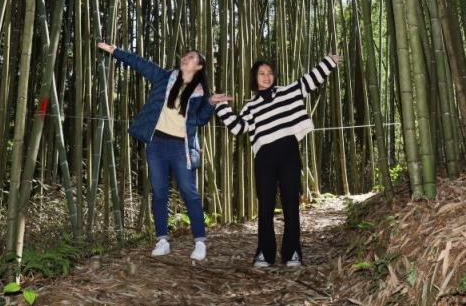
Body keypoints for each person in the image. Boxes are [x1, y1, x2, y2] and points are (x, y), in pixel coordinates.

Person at [210, 53, 342, 267]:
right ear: (255, 78)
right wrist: (221, 106)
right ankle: (265, 253)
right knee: (266, 206)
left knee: (291, 204)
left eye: (270, 73)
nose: (266, 76)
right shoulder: (250, 106)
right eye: (262, 73)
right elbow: (238, 127)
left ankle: (292, 253)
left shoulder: (287, 92)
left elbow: (310, 80)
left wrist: (329, 62)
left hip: (289, 154)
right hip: (265, 159)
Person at [97, 42, 215, 260]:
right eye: (185, 56)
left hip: (181, 148)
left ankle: (199, 242)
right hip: (157, 143)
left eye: (190, 57)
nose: (185, 58)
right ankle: (162, 240)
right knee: (159, 192)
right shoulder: (165, 77)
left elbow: (200, 120)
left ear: (199, 66)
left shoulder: (200, 93)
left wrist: (210, 104)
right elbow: (140, 64)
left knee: (190, 193)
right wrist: (115, 51)